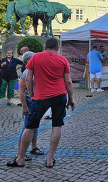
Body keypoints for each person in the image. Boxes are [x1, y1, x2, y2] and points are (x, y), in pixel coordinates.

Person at [7, 38, 75, 168]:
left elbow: (28, 77)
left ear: (44, 47)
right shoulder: (63, 60)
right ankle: (50, 159)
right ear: (58, 48)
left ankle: (20, 159)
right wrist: (71, 99)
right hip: (59, 95)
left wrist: (32, 94)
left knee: (30, 126)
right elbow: (68, 82)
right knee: (57, 126)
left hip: (40, 96)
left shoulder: (35, 57)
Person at [16, 51, 45, 162]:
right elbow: (21, 92)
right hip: (29, 102)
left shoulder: (34, 71)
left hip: (36, 101)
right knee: (27, 127)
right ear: (29, 61)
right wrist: (24, 106)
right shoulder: (26, 73)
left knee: (35, 126)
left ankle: (33, 147)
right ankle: (20, 153)